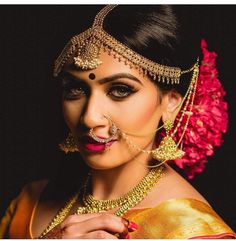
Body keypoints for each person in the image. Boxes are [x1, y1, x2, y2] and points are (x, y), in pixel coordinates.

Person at [0, 5, 235, 239]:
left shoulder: (192, 230)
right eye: (75, 89)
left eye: (120, 90)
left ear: (171, 102)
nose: (89, 117)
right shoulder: (31, 201)